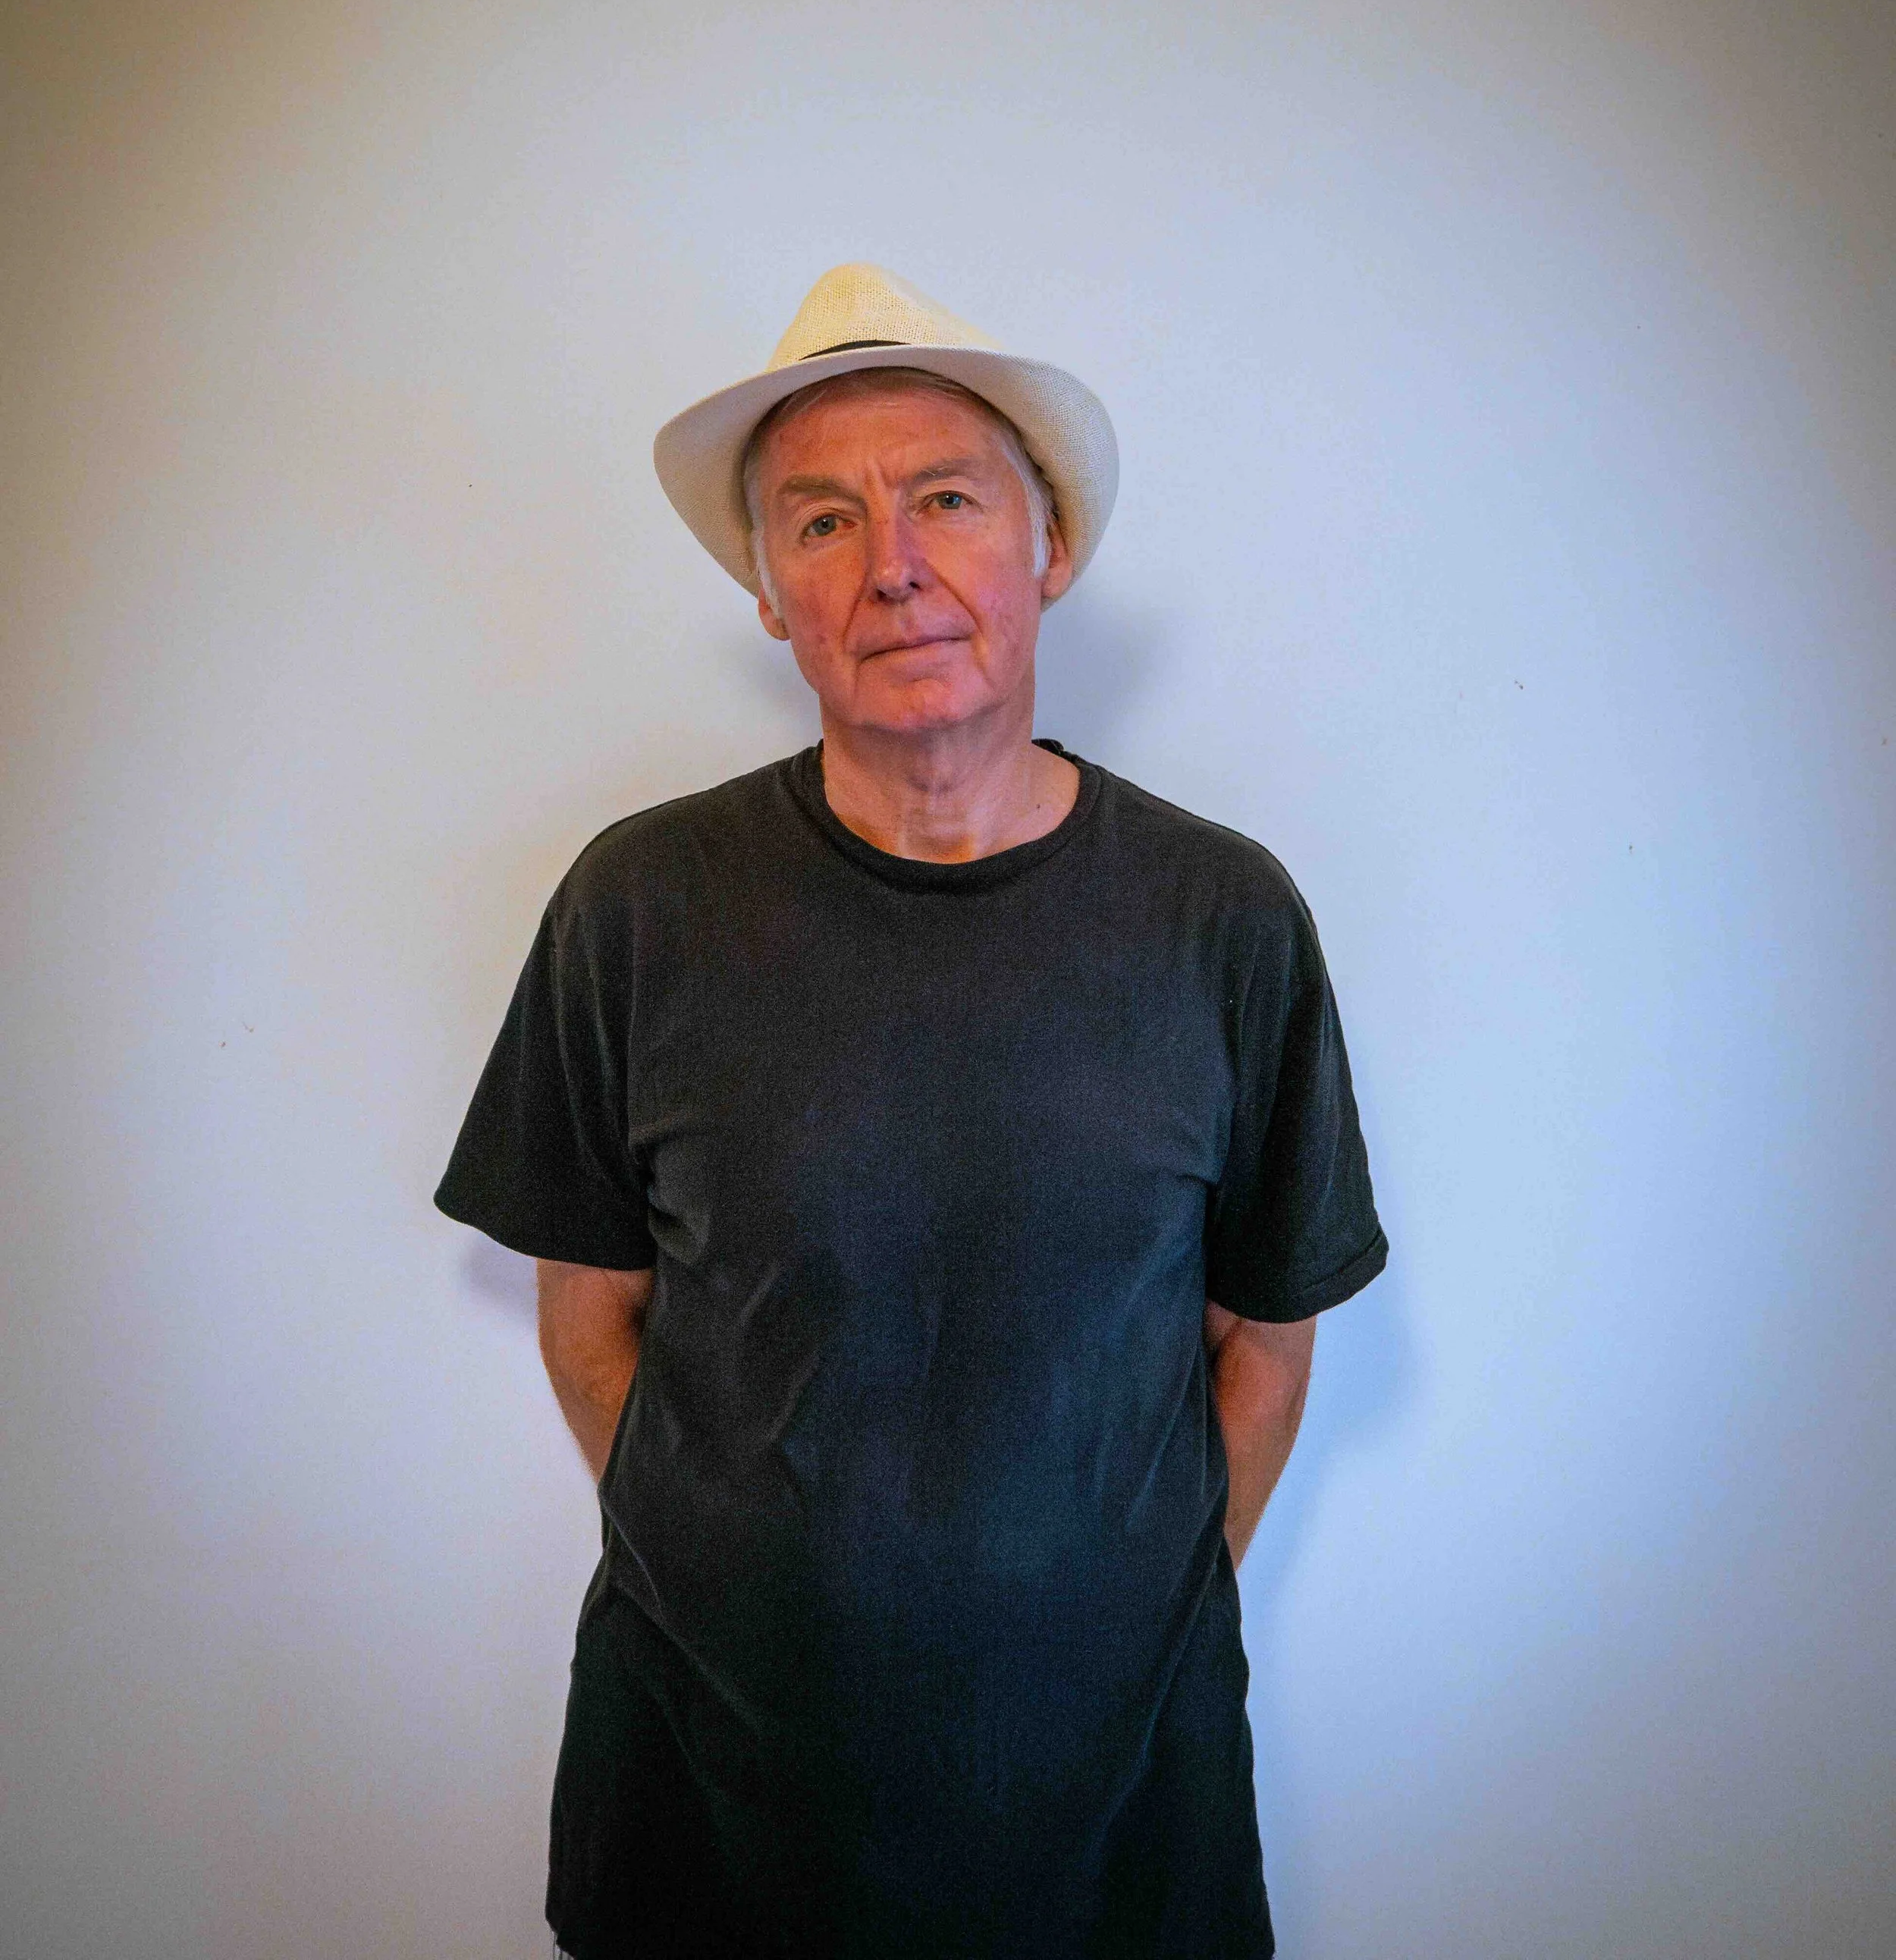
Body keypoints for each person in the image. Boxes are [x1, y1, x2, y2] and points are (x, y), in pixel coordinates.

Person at [435, 262, 1387, 1960]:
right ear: (768, 595)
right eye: (818, 519)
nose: (889, 563)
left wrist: (1090, 1625)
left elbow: (1265, 1342)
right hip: (710, 1796)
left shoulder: (1222, 917)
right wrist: (745, 1597)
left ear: (1048, 549)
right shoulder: (638, 904)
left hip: (1111, 1806)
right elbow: (589, 1323)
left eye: (943, 497)